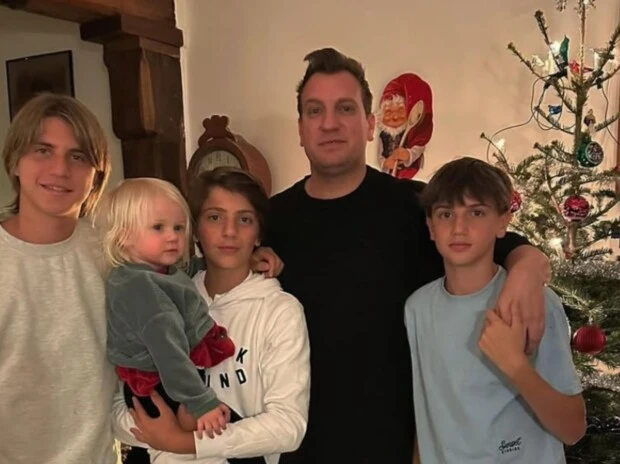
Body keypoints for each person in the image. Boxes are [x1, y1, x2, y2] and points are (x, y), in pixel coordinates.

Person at [264, 48, 551, 464]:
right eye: (314, 111)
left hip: (402, 447)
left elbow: (505, 242)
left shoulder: (417, 206)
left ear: (370, 125)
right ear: (300, 128)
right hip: (294, 448)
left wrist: (526, 269)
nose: (329, 123)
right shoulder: (268, 220)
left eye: (345, 108)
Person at [112, 167, 310, 464]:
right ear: (195, 230)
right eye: (215, 217)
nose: (229, 231)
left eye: (244, 219)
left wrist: (185, 442)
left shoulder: (279, 311)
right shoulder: (158, 297)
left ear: (258, 234)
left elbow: (288, 427)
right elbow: (116, 406)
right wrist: (157, 434)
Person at [406, 157, 585, 463]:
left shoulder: (535, 303)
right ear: (430, 227)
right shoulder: (417, 309)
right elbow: (429, 414)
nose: (459, 228)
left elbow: (573, 429)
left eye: (476, 212)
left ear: (503, 222)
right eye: (446, 214)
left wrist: (515, 365)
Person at [0, 93, 117, 463]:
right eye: (42, 150)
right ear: (15, 161)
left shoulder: (112, 252)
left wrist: (250, 259)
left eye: (77, 156)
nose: (60, 169)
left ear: (97, 174)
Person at [95, 177, 236, 439]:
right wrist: (201, 402)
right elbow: (169, 352)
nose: (172, 236)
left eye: (179, 228)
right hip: (158, 385)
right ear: (124, 236)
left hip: (163, 380)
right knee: (225, 427)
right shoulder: (142, 290)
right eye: (158, 227)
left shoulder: (150, 271)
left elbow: (182, 276)